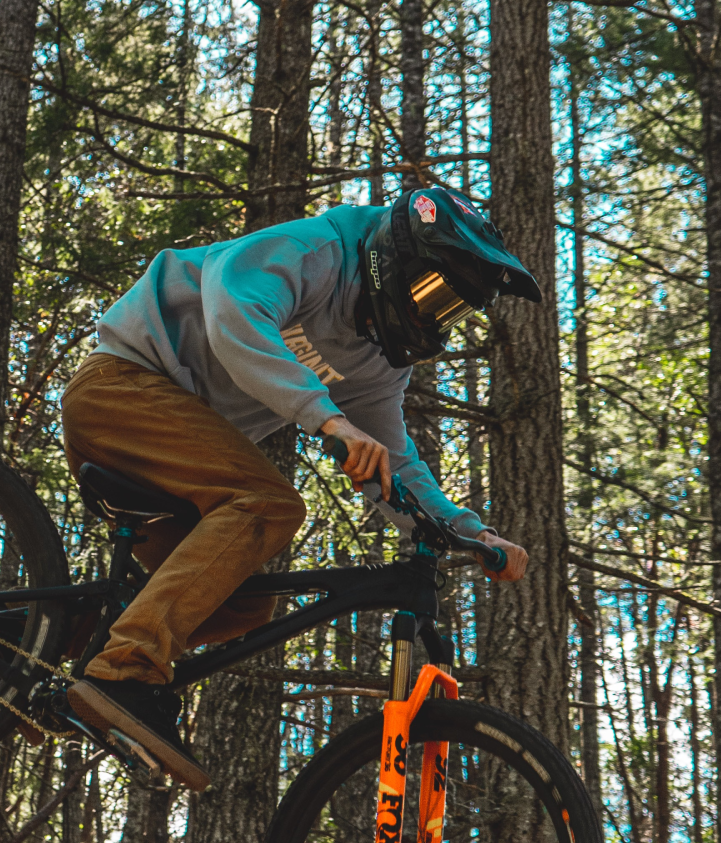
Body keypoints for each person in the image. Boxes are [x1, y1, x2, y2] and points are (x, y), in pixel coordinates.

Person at [60, 184, 541, 791]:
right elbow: (234, 310)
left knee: (243, 601)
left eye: (451, 308)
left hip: (175, 455)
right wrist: (328, 419)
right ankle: (124, 675)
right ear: (399, 256)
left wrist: (468, 533)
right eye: (433, 291)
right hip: (122, 386)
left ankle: (41, 646)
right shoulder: (316, 250)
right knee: (266, 506)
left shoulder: (380, 361)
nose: (433, 313)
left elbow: (394, 459)